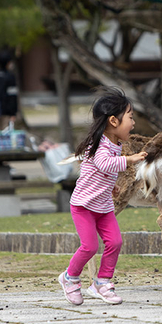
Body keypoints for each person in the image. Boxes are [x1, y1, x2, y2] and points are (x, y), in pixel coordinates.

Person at [58, 88, 148, 306]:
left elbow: (103, 173)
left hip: (103, 205)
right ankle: (69, 278)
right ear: (113, 121)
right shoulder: (99, 144)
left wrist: (112, 187)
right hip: (84, 206)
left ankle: (102, 282)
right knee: (89, 246)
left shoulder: (115, 145)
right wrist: (131, 159)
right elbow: (105, 164)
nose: (133, 123)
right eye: (130, 117)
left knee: (115, 242)